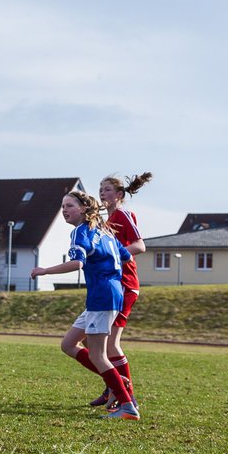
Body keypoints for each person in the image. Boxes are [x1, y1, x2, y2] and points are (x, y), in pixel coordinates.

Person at [31, 190, 139, 421]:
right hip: (108, 294)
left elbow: (77, 262)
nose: (64, 210)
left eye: (69, 206)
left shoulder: (82, 232)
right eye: (62, 206)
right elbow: (127, 257)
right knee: (69, 344)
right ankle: (117, 382)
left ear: (82, 209)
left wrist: (44, 271)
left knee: (100, 355)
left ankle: (127, 405)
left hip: (102, 296)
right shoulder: (105, 232)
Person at [88, 172, 153, 407]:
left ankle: (128, 397)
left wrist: (116, 253)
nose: (102, 193)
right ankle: (112, 388)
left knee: (111, 343)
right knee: (91, 342)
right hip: (111, 285)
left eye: (106, 189)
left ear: (118, 194)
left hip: (125, 285)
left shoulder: (124, 215)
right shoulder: (105, 221)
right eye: (100, 189)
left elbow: (140, 245)